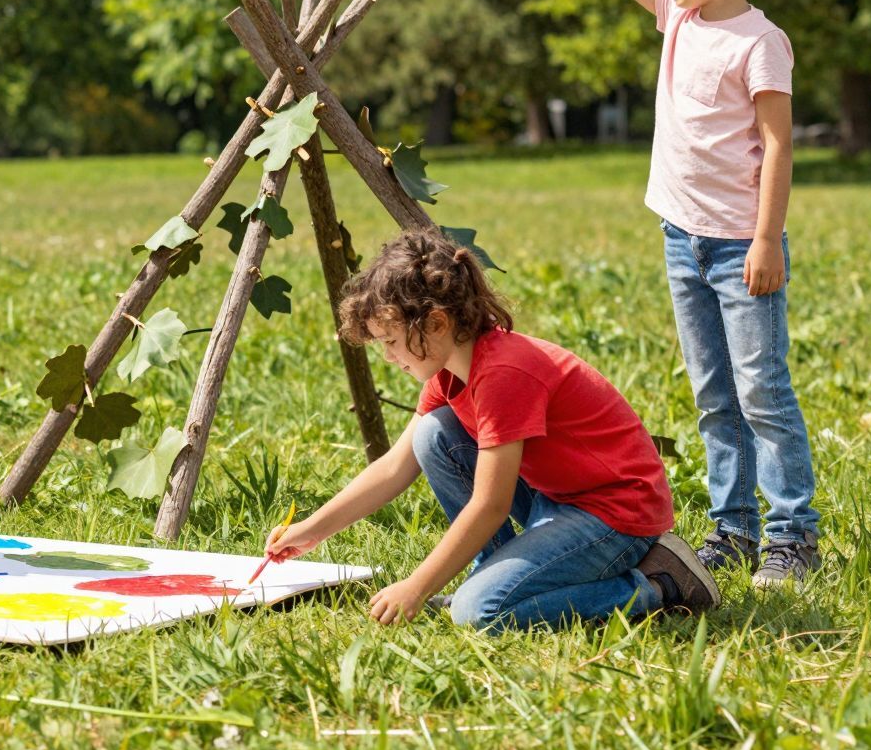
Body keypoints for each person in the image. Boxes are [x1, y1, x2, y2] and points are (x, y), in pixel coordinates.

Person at [517, 0, 819, 585]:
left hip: (740, 246)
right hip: (681, 239)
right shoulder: (677, 15)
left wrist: (767, 241)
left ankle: (792, 534)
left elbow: (778, 148)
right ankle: (733, 528)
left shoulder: (761, 43)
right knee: (714, 392)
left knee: (762, 391)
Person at [265, 230, 716, 627]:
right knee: (435, 434)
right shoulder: (449, 371)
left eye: (390, 341)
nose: (388, 356)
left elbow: (490, 505)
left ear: (436, 323)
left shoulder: (503, 373)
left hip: (616, 516)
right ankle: (489, 573)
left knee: (479, 613)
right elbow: (392, 470)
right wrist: (311, 530)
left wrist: (418, 586)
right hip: (558, 499)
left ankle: (657, 585)